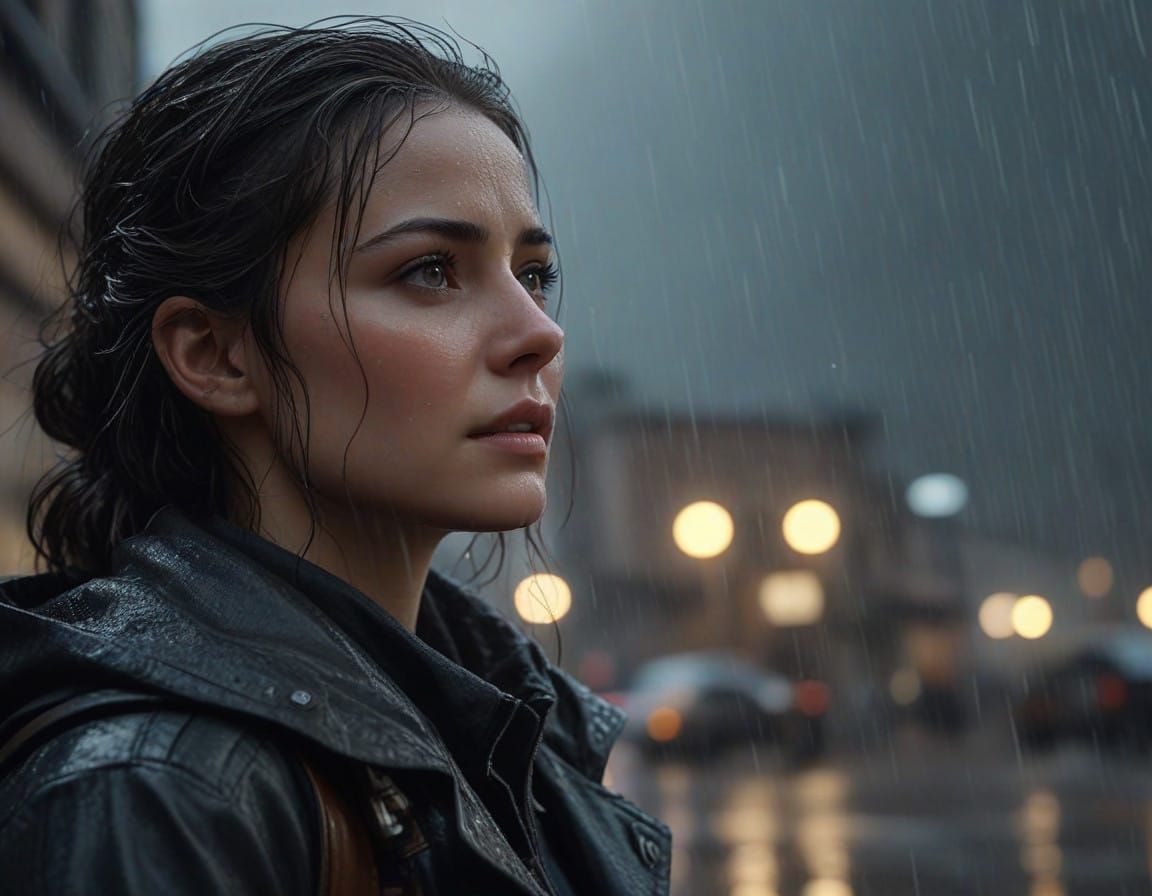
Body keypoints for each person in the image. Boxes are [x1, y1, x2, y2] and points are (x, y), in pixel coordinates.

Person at [0, 18, 670, 896]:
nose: (539, 334)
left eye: (533, 274)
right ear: (215, 354)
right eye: (431, 270)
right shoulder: (158, 794)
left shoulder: (505, 742)